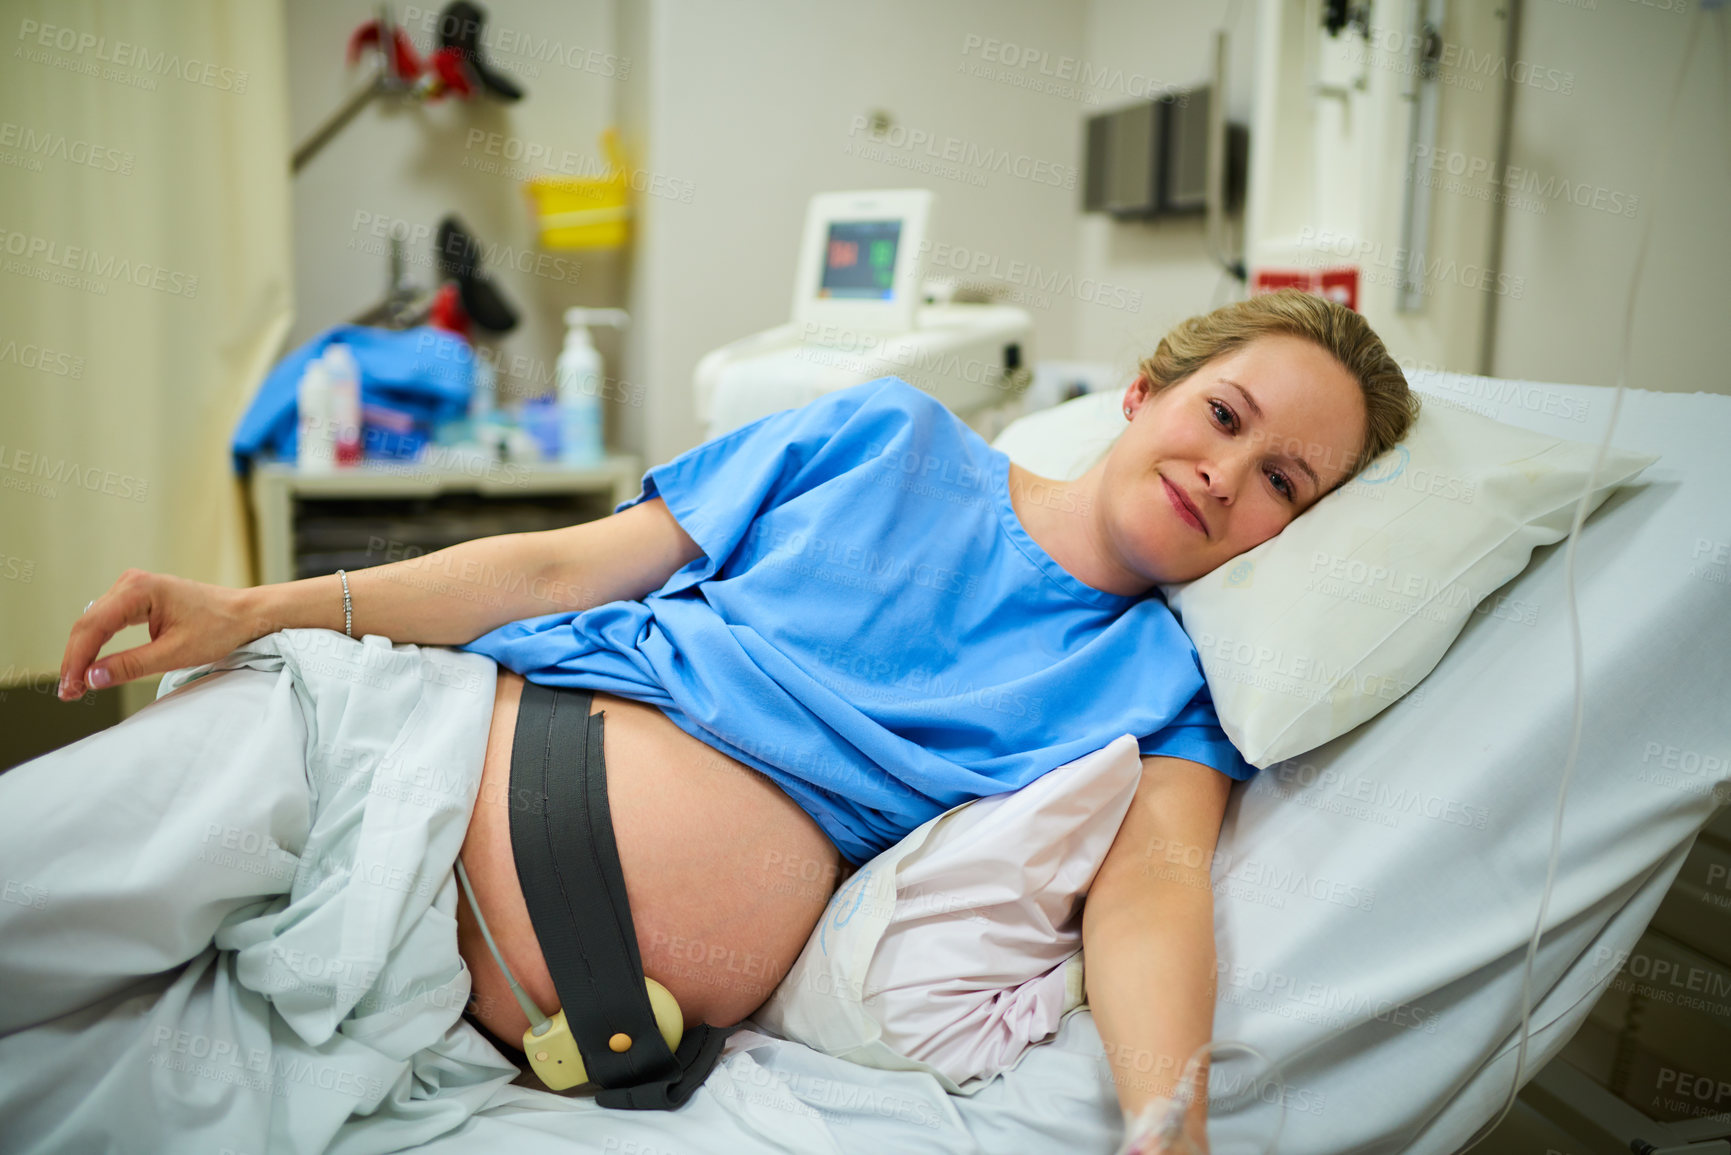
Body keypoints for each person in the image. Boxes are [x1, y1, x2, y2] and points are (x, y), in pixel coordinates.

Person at [24, 289, 1418, 1150]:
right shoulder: (885, 439)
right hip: (372, 756)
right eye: (1224, 413)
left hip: (455, 1025)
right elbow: (565, 565)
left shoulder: (1160, 687)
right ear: (1145, 389)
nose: (1229, 474)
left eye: (1285, 482)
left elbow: (1157, 889)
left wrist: (1168, 1120)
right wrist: (261, 612)